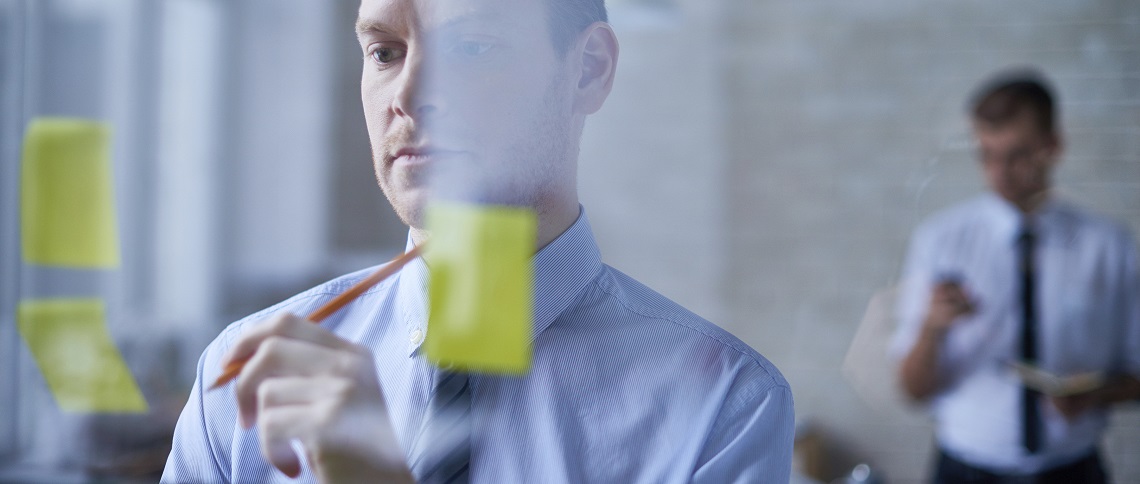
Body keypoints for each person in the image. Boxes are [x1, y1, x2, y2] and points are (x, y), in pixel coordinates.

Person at [161, 0, 794, 482]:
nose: (407, 97)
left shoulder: (719, 407)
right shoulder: (242, 381)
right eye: (385, 52)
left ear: (588, 71)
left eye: (472, 50)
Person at [891, 69, 1140, 483]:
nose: (998, 173)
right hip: (962, 470)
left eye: (1017, 154)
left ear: (1052, 146)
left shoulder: (1110, 246)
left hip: (1073, 470)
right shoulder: (941, 240)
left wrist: (1096, 395)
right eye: (986, 155)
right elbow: (913, 391)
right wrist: (932, 329)